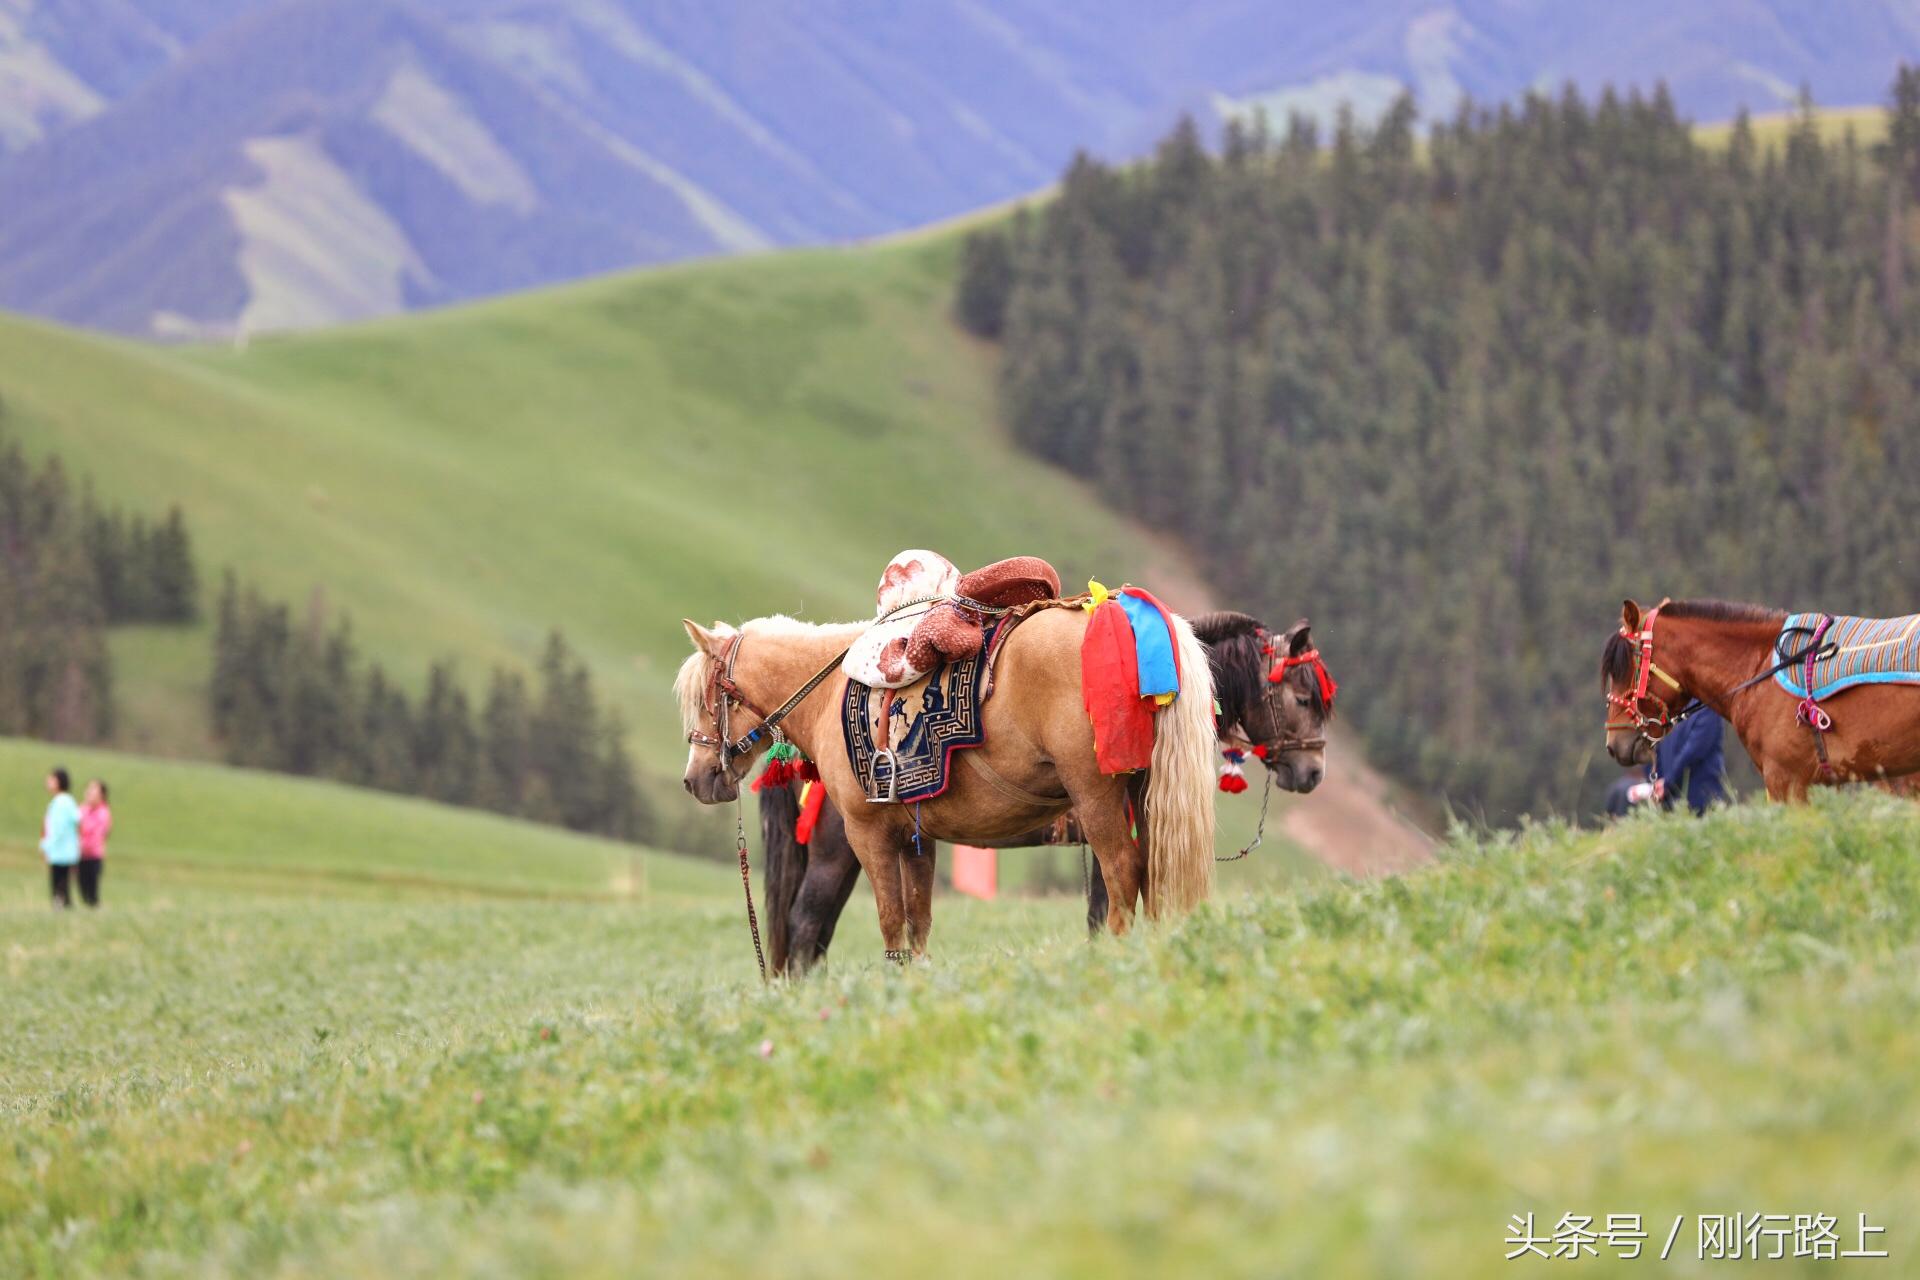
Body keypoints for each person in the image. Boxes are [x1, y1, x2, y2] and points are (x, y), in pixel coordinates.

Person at [1653, 707, 1728, 816]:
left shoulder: (1668, 710)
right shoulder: (1706, 708)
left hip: (1677, 799)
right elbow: (1693, 751)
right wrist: (1663, 782)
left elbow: (1694, 751)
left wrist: (1663, 782)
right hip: (1699, 799)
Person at [40, 767, 80, 908]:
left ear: (59, 781)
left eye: (51, 779)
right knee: (62, 886)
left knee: (59, 885)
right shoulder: (65, 801)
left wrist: (46, 846)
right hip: (64, 851)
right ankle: (64, 908)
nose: (48, 782)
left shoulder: (62, 803)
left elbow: (58, 829)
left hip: (61, 851)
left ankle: (60, 909)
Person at [78, 778, 112, 907]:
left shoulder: (103, 812)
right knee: (82, 889)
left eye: (93, 789)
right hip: (80, 855)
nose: (89, 792)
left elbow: (98, 836)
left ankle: (95, 910)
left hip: (94, 856)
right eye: (88, 788)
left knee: (92, 891)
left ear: (102, 795)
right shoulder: (82, 809)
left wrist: (82, 845)